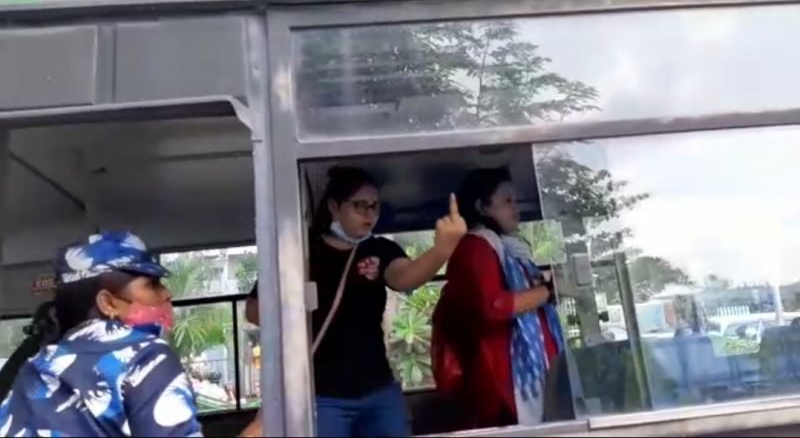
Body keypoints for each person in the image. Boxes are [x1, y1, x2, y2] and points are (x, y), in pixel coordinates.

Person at [247, 166, 465, 437]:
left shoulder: (380, 249)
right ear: (334, 207)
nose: (369, 215)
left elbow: (405, 277)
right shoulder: (302, 252)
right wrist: (294, 298)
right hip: (322, 394)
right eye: (360, 206)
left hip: (378, 387)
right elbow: (254, 311)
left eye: (375, 207)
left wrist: (443, 249)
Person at [0, 231, 262, 438]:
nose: (167, 293)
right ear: (108, 303)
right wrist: (260, 429)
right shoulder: (145, 358)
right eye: (152, 284)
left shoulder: (36, 367)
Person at [432, 167, 565, 428]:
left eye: (515, 201)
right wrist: (548, 292)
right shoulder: (476, 246)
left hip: (523, 377)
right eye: (507, 201)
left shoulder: (510, 249)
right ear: (483, 207)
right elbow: (493, 306)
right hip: (501, 383)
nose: (516, 208)